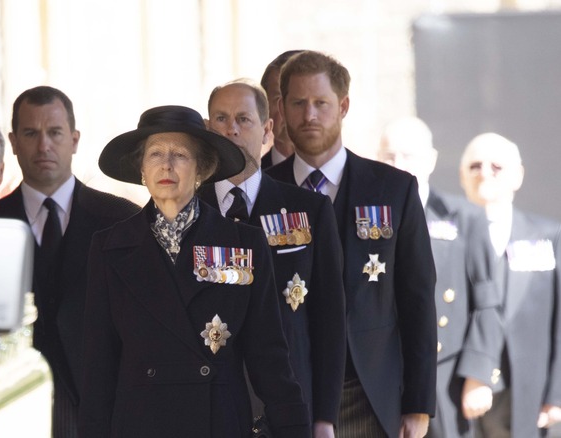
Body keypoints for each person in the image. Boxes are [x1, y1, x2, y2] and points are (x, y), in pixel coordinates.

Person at [79, 105, 311, 437]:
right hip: (141, 424)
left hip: (218, 421)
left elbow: (269, 355)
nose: (166, 165)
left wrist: (295, 429)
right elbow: (98, 367)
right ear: (141, 170)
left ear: (202, 168)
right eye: (155, 154)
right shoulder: (109, 247)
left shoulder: (243, 244)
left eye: (180, 155)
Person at [265, 50, 437, 438]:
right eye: (298, 103)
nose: (309, 115)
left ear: (342, 106)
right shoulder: (261, 191)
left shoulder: (394, 189)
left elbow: (417, 298)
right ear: (280, 108)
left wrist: (418, 403)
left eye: (321, 103)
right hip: (284, 393)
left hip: (368, 392)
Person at [0, 86, 139, 437]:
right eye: (31, 133)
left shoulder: (124, 222)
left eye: (54, 133)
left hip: (104, 414)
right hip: (8, 411)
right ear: (12, 142)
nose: (43, 146)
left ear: (74, 139)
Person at [201, 78, 346, 438]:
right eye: (220, 118)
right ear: (207, 130)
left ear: (267, 132)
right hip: (210, 404)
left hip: (289, 404)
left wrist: (325, 416)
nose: (231, 129)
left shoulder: (308, 209)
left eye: (243, 119)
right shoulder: (190, 212)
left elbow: (329, 318)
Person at [378, 116, 504, 437]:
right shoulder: (366, 219)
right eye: (390, 156)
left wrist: (478, 374)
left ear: (431, 160)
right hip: (381, 370)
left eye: (409, 156)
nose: (399, 165)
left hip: (445, 375)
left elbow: (487, 302)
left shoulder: (464, 217)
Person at [459, 132, 561, 438]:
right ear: (463, 177)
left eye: (496, 166)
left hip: (528, 391)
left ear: (518, 176)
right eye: (475, 166)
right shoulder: (444, 240)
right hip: (462, 390)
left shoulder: (549, 236)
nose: (484, 173)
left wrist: (556, 394)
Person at [259, 50, 302, 169]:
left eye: (300, 101)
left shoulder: (355, 175)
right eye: (279, 99)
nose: (288, 111)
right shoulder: (252, 183)